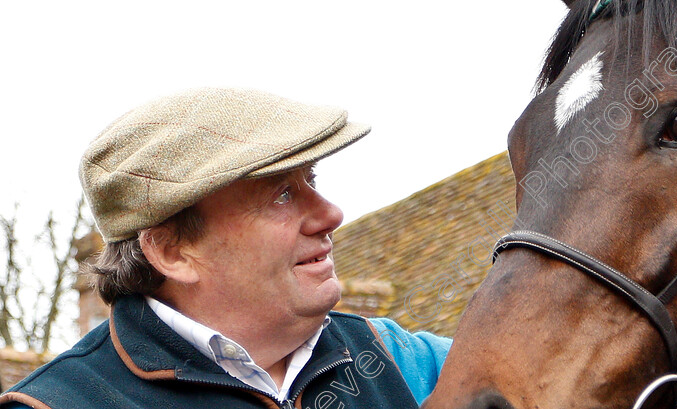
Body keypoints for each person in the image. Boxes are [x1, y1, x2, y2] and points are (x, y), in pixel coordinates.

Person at [0, 88, 451, 409]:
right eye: (281, 195)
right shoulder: (62, 402)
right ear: (173, 251)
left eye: (310, 180)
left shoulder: (397, 356)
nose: (331, 213)